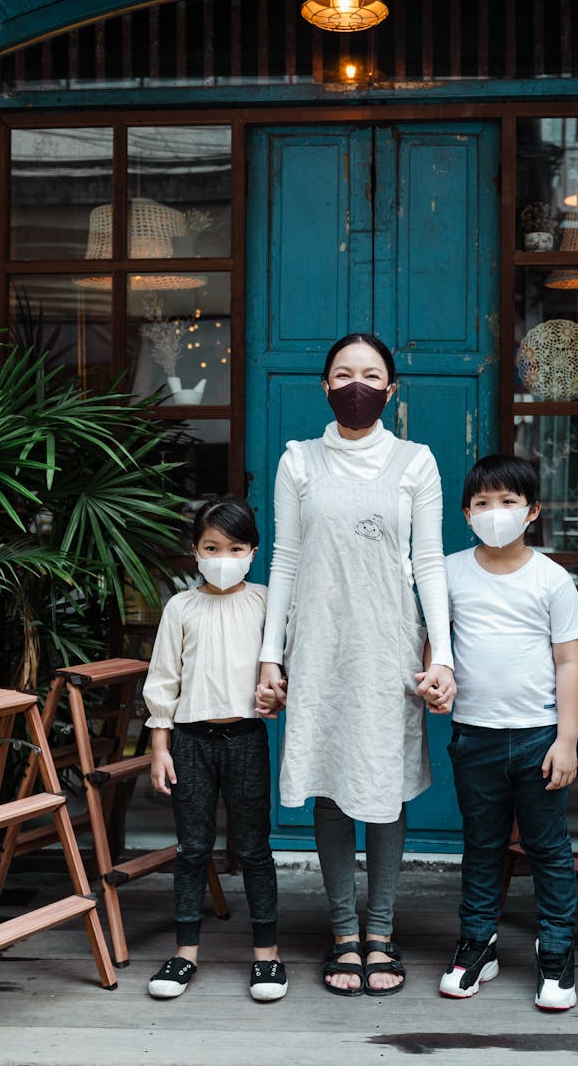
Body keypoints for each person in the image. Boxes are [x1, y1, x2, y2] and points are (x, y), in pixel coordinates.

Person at [256, 333, 455, 998]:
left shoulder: (414, 462)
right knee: (329, 774)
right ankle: (344, 929)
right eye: (343, 374)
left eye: (371, 375)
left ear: (391, 389)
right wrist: (270, 655)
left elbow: (428, 562)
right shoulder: (299, 462)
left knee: (384, 780)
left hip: (389, 641)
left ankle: (380, 927)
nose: (357, 385)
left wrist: (442, 655)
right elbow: (282, 559)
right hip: (318, 640)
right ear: (325, 385)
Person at [438, 455, 578, 1011]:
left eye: (508, 502)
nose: (495, 512)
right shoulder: (449, 571)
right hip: (473, 736)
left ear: (533, 511)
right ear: (466, 513)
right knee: (482, 845)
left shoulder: (551, 578)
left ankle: (557, 953)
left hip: (538, 737)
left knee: (549, 849)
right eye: (482, 503)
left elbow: (569, 663)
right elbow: (436, 641)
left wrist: (566, 739)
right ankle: (478, 943)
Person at [143, 496, 287, 1003]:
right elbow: (163, 680)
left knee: (252, 849)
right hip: (190, 742)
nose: (222, 556)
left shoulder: (268, 601)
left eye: (235, 547)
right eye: (211, 546)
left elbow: (284, 668)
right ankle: (185, 952)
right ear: (195, 550)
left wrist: (281, 691)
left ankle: (266, 956)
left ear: (253, 551)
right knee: (192, 848)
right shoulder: (180, 606)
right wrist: (160, 746)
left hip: (246, 739)